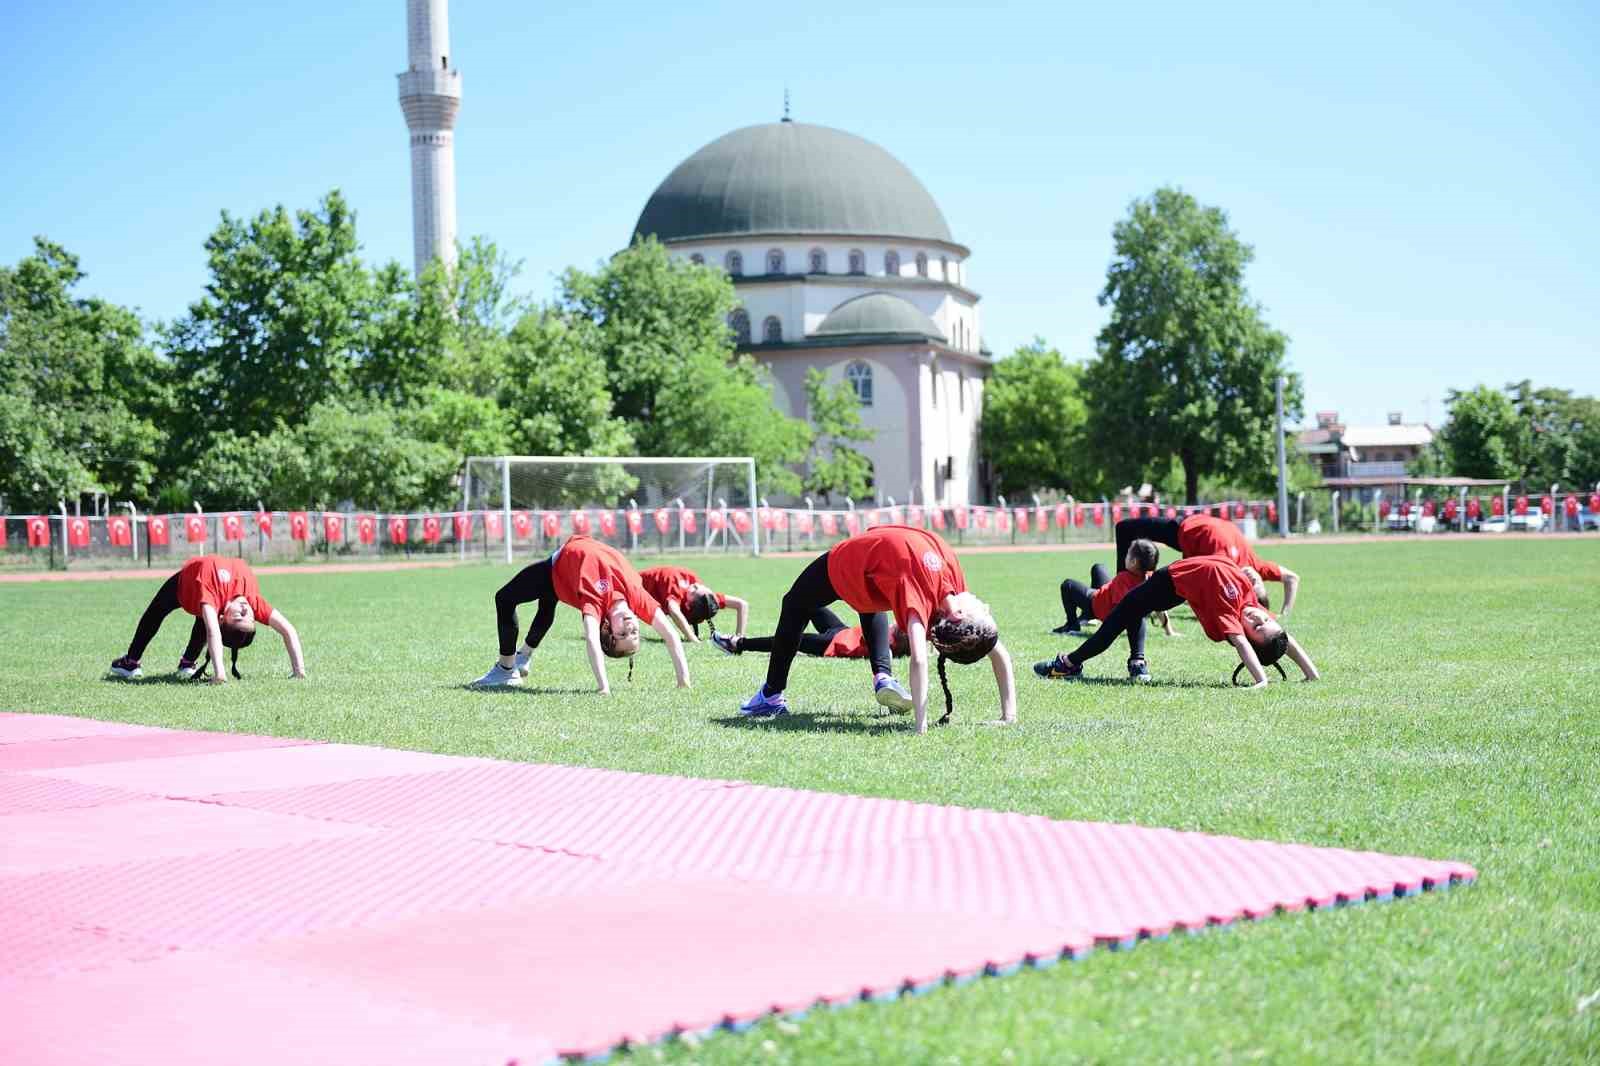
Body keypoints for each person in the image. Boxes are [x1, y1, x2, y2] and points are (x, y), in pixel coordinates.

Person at [738, 525, 1016, 734]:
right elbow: (997, 650)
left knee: (795, 604)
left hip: (851, 563)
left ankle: (771, 695)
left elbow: (919, 658)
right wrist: (1009, 715)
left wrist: (921, 727)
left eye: (984, 613)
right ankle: (883, 677)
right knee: (873, 596)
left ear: (957, 617)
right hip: (874, 564)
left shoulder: (924, 602)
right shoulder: (954, 588)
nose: (987, 606)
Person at [1034, 555, 1317, 687]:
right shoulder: (1250, 604)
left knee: (1117, 619)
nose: (1257, 618)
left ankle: (1069, 664)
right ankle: (1136, 662)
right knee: (1130, 613)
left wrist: (1261, 681)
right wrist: (1311, 673)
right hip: (1173, 585)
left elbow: (1243, 645)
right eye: (1264, 620)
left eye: (1256, 627)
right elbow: (1285, 638)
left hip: (1166, 584)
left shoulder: (1229, 615)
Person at [473, 534, 690, 693]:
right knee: (547, 603)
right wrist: (683, 681)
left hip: (554, 569)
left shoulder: (595, 602)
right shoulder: (637, 597)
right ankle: (523, 658)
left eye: (622, 635)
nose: (630, 629)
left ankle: (506, 669)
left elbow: (592, 640)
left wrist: (603, 687)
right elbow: (670, 635)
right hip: (567, 569)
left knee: (505, 599)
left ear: (607, 628)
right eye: (634, 634)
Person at [108, 555, 306, 683]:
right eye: (250, 618)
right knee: (179, 614)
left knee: (162, 613)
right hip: (197, 587)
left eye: (239, 617)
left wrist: (220, 673)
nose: (246, 610)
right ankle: (143, 663)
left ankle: (136, 663)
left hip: (183, 587)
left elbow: (213, 631)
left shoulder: (214, 601)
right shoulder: (252, 601)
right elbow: (288, 630)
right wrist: (299, 671)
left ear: (223, 618)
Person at [1113, 512, 1300, 615]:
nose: (1253, 580)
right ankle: (1119, 592)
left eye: (1252, 586)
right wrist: (1286, 613)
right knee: (1124, 529)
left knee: (1124, 528)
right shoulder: (1256, 566)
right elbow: (1292, 578)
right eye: (1259, 584)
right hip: (1190, 525)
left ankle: (1118, 597)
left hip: (1184, 532)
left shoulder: (1223, 570)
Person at [1052, 539, 1174, 680]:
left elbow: (1121, 612)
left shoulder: (1124, 578)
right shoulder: (1149, 579)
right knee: (1099, 568)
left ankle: (1072, 624)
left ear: (1133, 562)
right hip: (1105, 594)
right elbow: (1159, 609)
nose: (1125, 556)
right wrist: (1168, 630)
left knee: (1067, 585)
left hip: (1095, 604)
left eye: (1128, 554)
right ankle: (1085, 618)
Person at [713, 606, 909, 661]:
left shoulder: (887, 645)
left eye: (897, 624)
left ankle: (738, 644)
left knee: (787, 640)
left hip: (831, 644)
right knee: (808, 602)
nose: (893, 622)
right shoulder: (893, 638)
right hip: (842, 631)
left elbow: (871, 635)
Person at [638, 565, 749, 644]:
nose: (696, 584)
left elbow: (742, 605)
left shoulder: (704, 599)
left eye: (695, 588)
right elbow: (674, 610)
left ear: (689, 603)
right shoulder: (698, 594)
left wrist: (739, 638)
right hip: (633, 588)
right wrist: (693, 639)